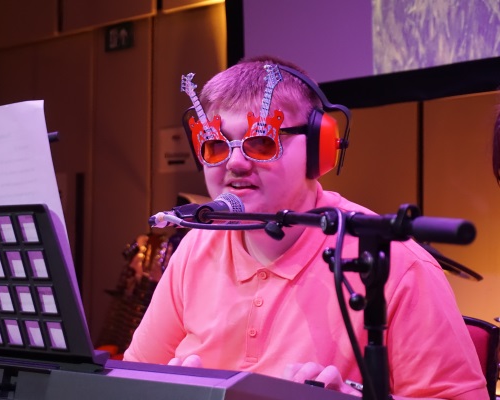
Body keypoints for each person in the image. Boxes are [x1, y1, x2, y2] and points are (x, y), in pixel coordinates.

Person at [123, 56, 487, 399]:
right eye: (215, 146)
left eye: (261, 142)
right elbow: (131, 380)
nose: (234, 163)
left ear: (319, 150)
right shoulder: (195, 248)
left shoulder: (396, 264)